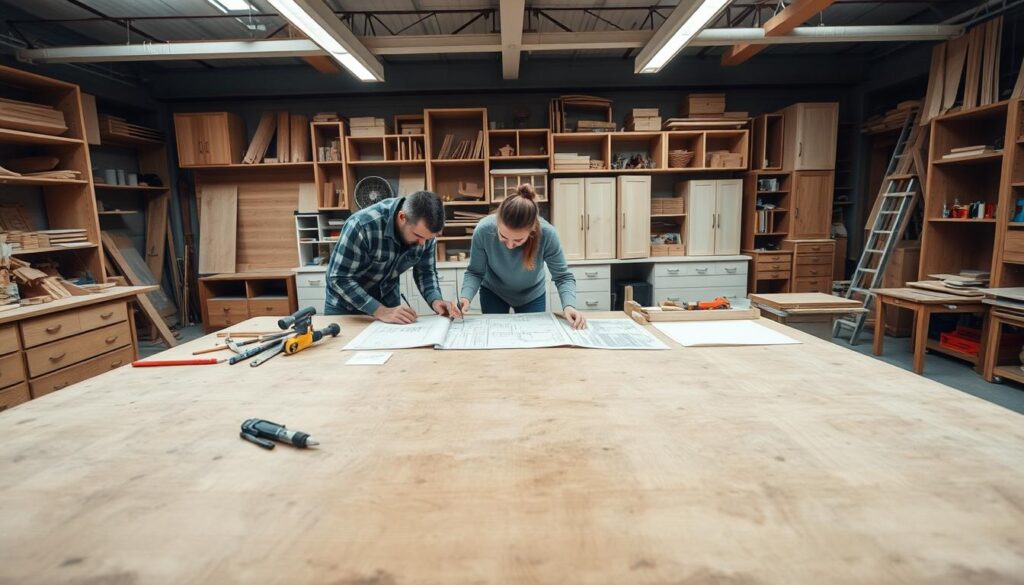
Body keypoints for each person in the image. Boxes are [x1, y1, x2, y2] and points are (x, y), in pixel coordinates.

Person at [455, 184, 586, 329]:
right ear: (497, 223)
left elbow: (563, 277)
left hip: (532, 295)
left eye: (518, 240)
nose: (510, 245)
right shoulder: (483, 230)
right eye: (503, 236)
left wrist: (569, 306)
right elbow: (475, 272)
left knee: (532, 338)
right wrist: (465, 297)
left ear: (532, 231)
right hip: (493, 292)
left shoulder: (548, 234)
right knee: (495, 336)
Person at [324, 191, 456, 323]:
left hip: (388, 306)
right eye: (418, 236)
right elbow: (338, 277)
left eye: (428, 239)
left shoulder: (425, 236)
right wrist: (380, 310)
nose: (422, 244)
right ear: (402, 217)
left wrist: (435, 300)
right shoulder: (362, 225)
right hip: (346, 307)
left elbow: (425, 273)